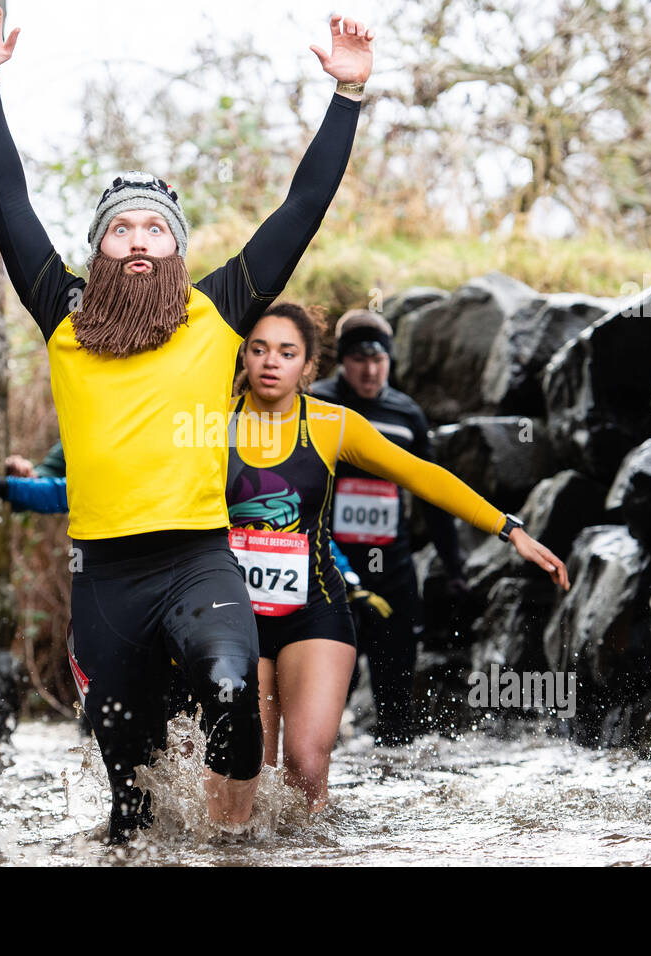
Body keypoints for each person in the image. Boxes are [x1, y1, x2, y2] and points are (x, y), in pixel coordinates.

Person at [0, 4, 372, 841]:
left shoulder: (216, 311)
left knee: (229, 689)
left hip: (197, 560)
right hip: (105, 580)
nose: (137, 240)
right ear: (98, 249)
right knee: (132, 807)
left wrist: (348, 97)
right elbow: (8, 202)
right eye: (120, 230)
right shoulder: (64, 315)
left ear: (175, 247)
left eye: (153, 228)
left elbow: (300, 210)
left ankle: (235, 850)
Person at [227, 302, 569, 811]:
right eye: (259, 349)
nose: (271, 362)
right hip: (235, 615)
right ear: (243, 357)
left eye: (287, 352)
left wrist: (509, 528)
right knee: (249, 769)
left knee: (304, 765)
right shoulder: (210, 423)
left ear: (308, 365)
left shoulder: (333, 424)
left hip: (316, 611)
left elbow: (424, 476)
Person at [309, 309, 466, 745]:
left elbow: (433, 494)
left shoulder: (406, 414)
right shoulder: (317, 404)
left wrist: (454, 566)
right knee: (323, 695)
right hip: (328, 567)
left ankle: (393, 779)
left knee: (396, 694)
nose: (371, 369)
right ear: (342, 360)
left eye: (380, 359)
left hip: (392, 568)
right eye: (359, 358)